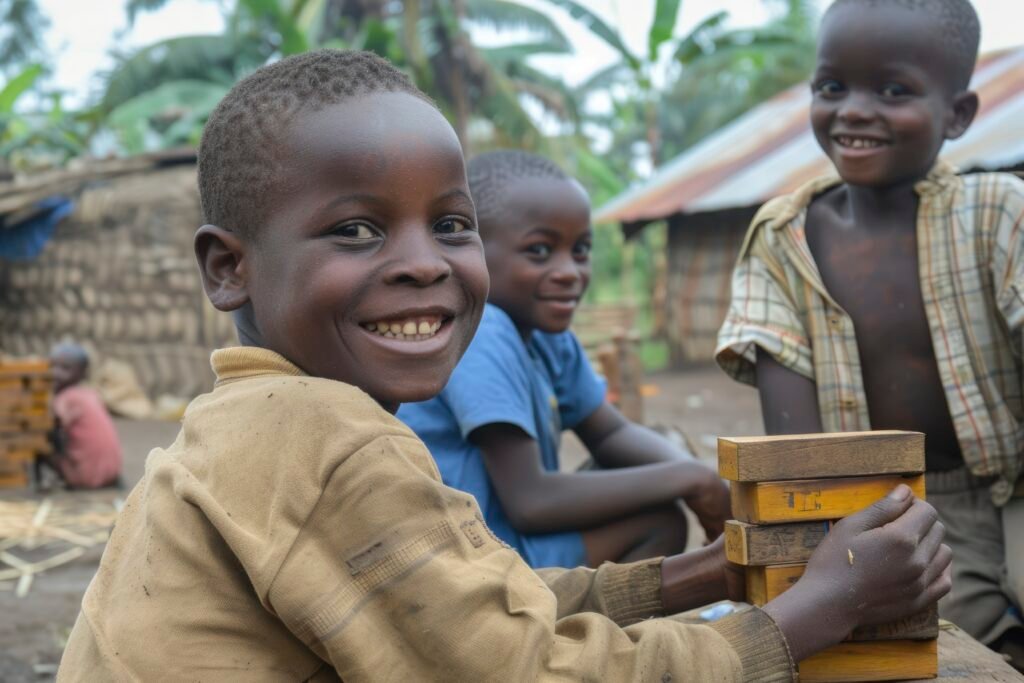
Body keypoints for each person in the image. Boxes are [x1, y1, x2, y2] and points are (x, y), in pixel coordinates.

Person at [59, 50, 951, 681]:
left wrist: (711, 572)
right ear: (229, 266)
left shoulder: (256, 413)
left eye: (450, 225)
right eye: (356, 230)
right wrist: (816, 611)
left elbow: (480, 600)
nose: (424, 262)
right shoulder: (317, 433)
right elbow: (521, 670)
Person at [715, 0, 1023, 664]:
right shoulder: (783, 240)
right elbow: (798, 453)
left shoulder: (1000, 215)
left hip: (1018, 481)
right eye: (833, 87)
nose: (853, 109)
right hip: (898, 511)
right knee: (950, 650)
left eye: (893, 90)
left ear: (958, 114)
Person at [399, 150, 729, 570]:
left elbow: (610, 435)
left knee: (655, 463)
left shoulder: (546, 337)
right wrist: (691, 480)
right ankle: (564, 634)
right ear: (473, 252)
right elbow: (530, 503)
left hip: (510, 537)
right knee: (657, 520)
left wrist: (705, 478)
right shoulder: (482, 331)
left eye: (581, 250)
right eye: (539, 250)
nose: (569, 271)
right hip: (473, 560)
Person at [38, 343, 122, 490]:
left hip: (86, 476)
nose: (56, 373)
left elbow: (51, 426)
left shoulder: (67, 398)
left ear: (82, 373)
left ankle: (46, 483)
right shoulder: (90, 393)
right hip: (111, 473)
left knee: (37, 438)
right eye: (53, 366)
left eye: (65, 368)